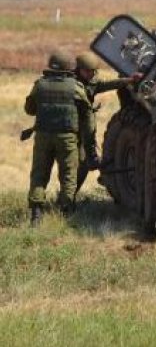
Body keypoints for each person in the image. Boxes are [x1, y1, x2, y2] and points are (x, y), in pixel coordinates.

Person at [24, 52, 94, 226]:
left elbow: (30, 110)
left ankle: (36, 214)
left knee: (39, 174)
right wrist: (89, 143)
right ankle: (65, 211)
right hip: (67, 138)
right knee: (68, 174)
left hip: (42, 136)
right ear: (68, 67)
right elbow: (87, 114)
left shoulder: (39, 85)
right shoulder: (76, 87)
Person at [73, 51, 140, 200]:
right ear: (78, 69)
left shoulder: (92, 82)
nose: (91, 75)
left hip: (83, 130)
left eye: (93, 71)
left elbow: (106, 84)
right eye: (87, 71)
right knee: (72, 165)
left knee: (83, 164)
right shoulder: (69, 83)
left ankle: (68, 199)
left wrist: (128, 80)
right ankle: (64, 200)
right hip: (69, 130)